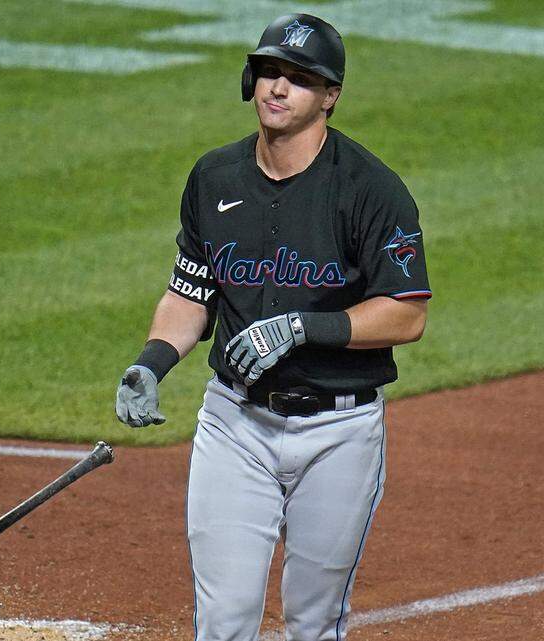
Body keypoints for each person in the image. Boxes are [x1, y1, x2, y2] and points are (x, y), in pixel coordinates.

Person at [114, 13, 430, 641]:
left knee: (313, 624)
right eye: (268, 72)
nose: (278, 88)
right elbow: (191, 292)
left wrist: (302, 329)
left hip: (339, 432)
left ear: (329, 97)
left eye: (299, 79)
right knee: (224, 621)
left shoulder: (371, 189)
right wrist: (150, 362)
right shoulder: (214, 178)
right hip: (235, 425)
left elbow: (407, 311)